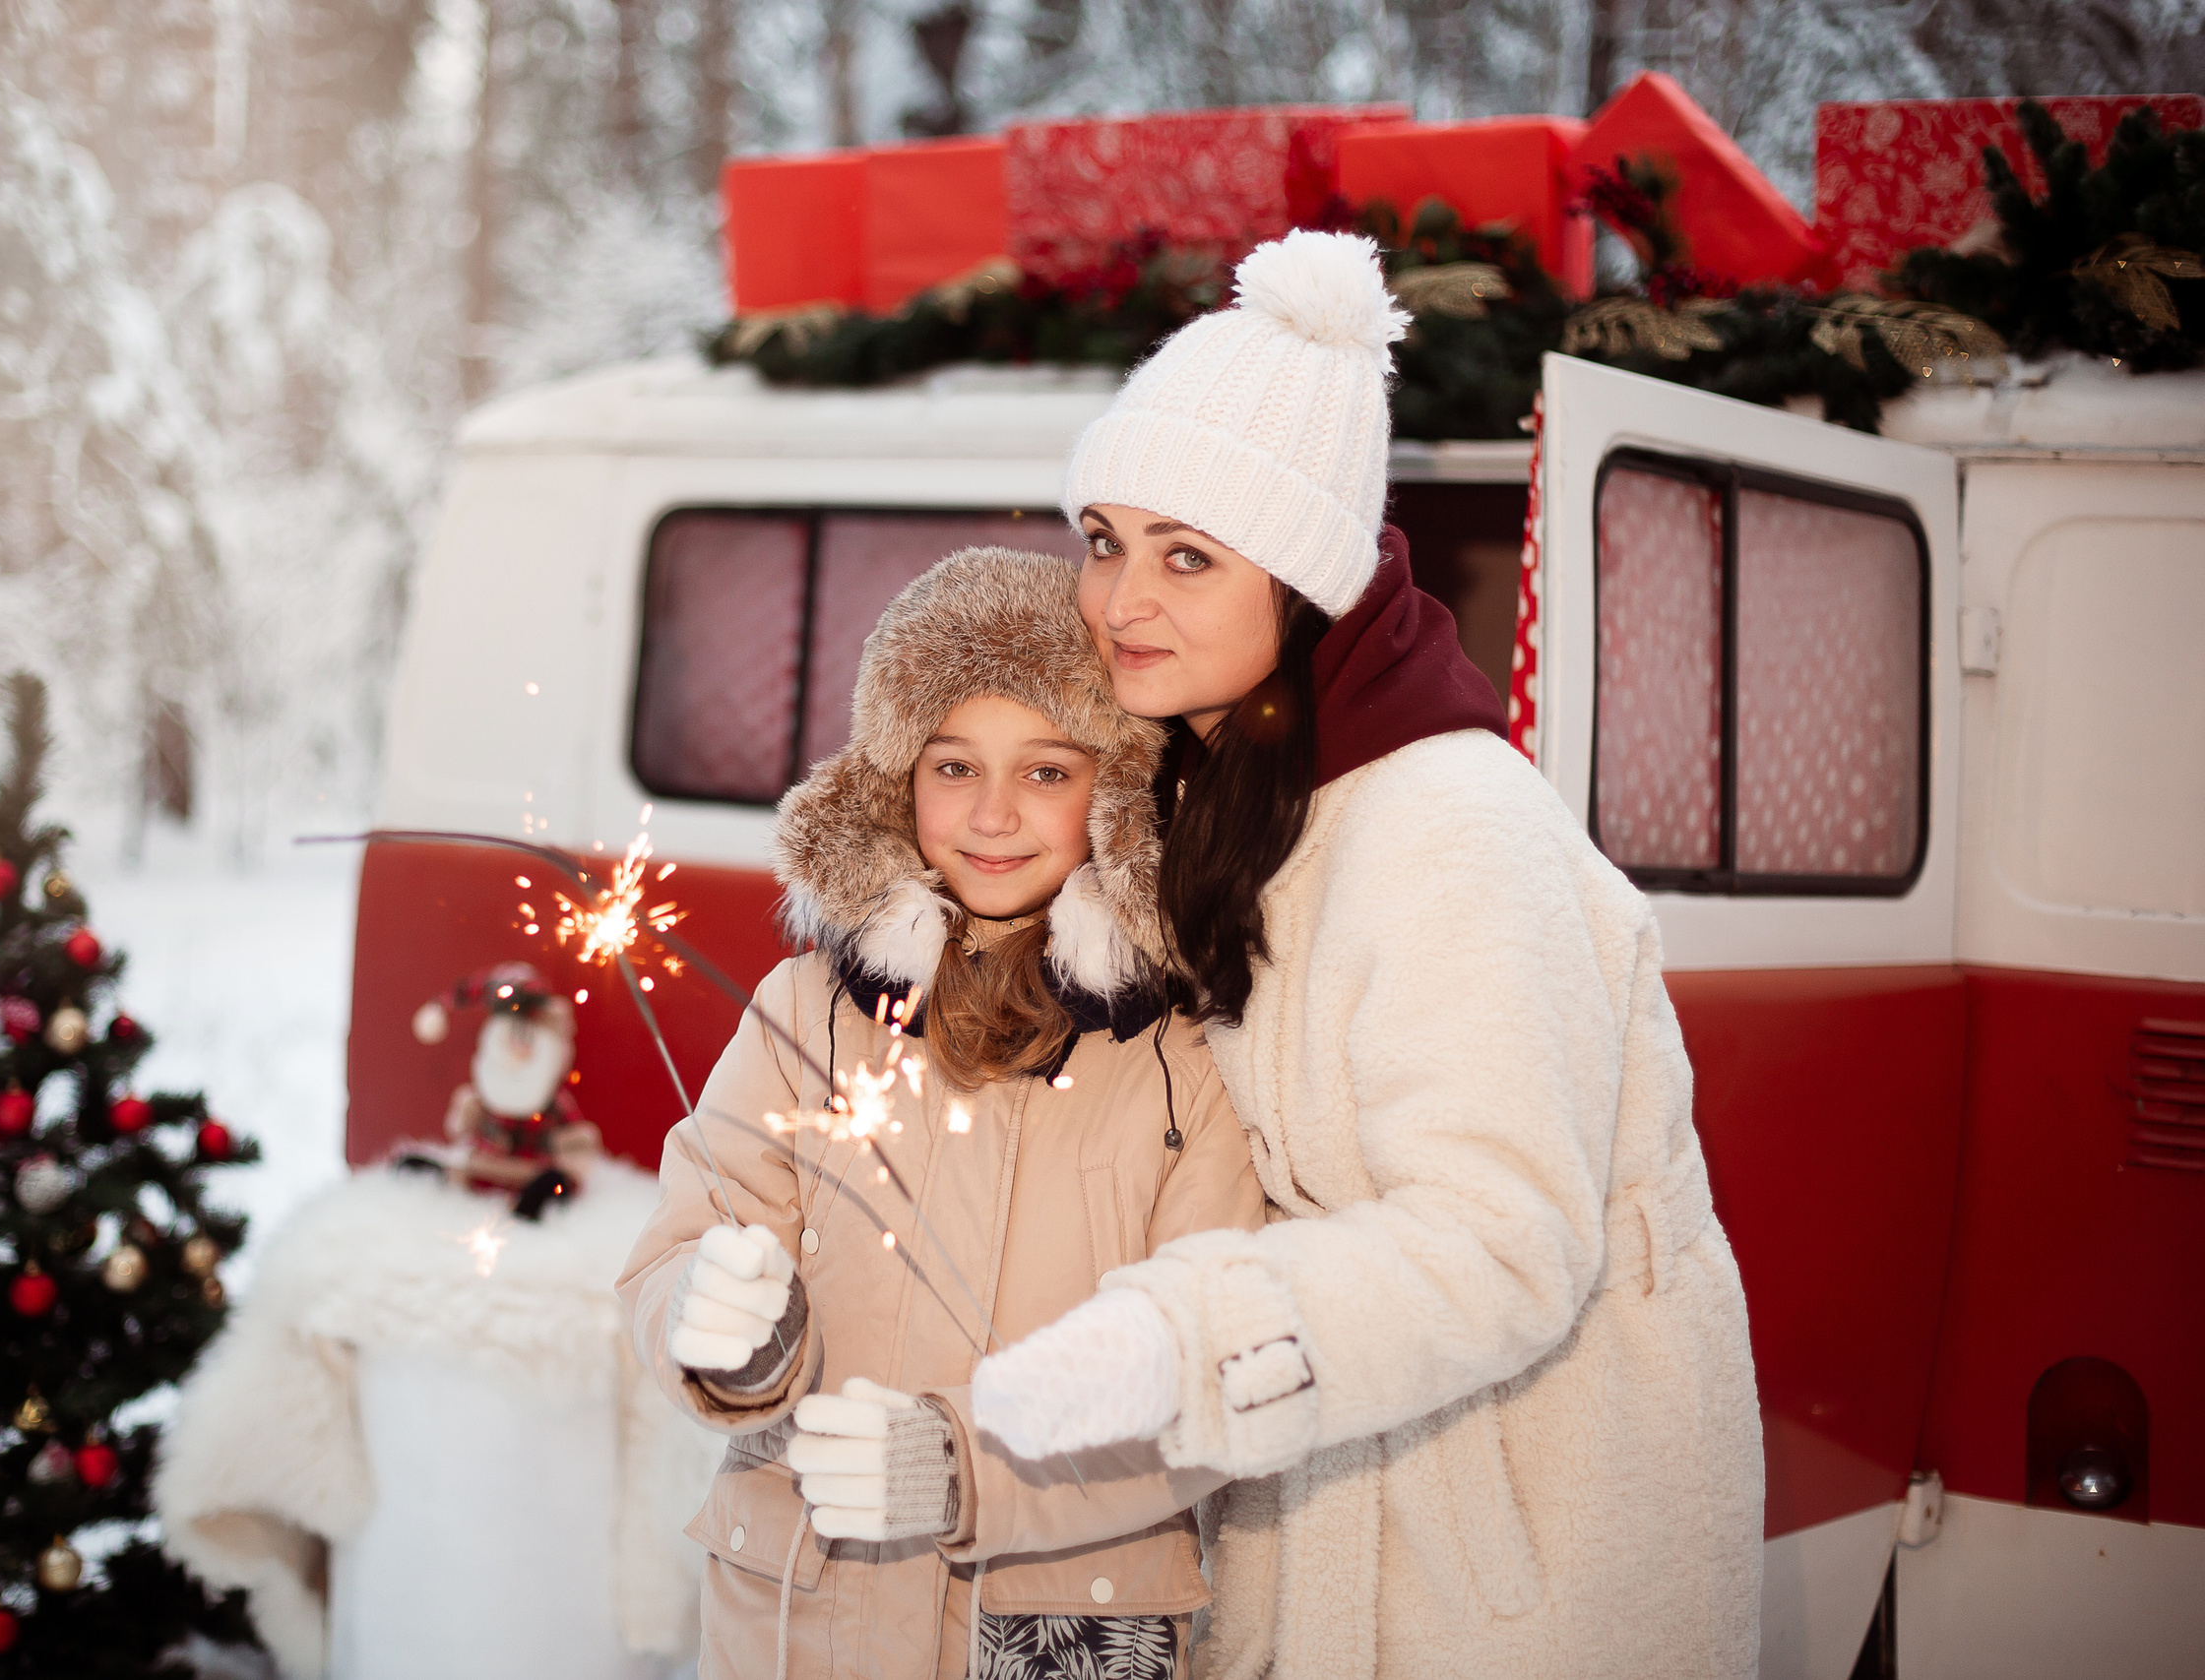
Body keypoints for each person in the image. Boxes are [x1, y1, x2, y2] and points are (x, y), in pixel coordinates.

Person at [967, 230, 1765, 1678]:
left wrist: (1181, 1334)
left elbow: (1503, 1238)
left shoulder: (1448, 820)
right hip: (1337, 1487)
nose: (1120, 599)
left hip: (1512, 1546)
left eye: (1188, 555)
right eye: (1106, 538)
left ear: (1309, 578)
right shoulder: (1219, 782)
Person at [617, 547, 1268, 1680]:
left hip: (1051, 1625)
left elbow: (1209, 1371)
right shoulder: (806, 1013)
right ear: (893, 783)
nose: (995, 814)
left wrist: (967, 1470)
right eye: (954, 766)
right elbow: (680, 1246)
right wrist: (720, 1326)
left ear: (1115, 797)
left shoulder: (1177, 1057)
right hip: (805, 1621)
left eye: (1049, 772)